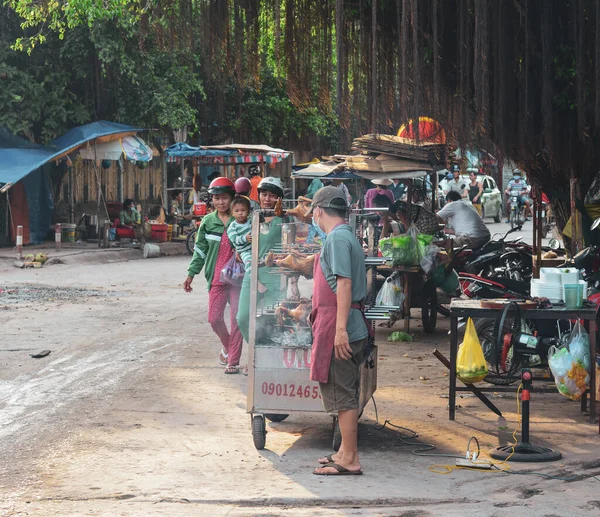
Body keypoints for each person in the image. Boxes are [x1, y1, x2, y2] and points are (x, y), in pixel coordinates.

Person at [309, 186, 369, 476]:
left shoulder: (336, 238)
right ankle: (344, 451)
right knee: (344, 387)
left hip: (342, 322)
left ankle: (350, 459)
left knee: (343, 392)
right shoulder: (346, 236)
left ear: (319, 211)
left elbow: (344, 284)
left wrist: (340, 330)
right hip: (347, 320)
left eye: (313, 213)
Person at [182, 177, 244, 374]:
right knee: (214, 318)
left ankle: (233, 361)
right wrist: (191, 274)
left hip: (238, 279)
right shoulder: (208, 222)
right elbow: (200, 250)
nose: (220, 202)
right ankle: (228, 346)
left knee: (237, 320)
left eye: (225, 197)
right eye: (216, 198)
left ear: (232, 198)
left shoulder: (241, 218)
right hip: (216, 277)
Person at [236, 177, 285, 344]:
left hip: (275, 277)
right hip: (253, 274)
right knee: (243, 317)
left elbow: (291, 248)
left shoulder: (284, 220)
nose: (267, 199)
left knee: (272, 320)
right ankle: (256, 352)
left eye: (272, 195)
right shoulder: (252, 217)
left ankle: (269, 356)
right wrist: (240, 249)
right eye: (264, 194)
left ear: (279, 199)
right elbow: (240, 240)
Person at [227, 196, 266, 293]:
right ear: (232, 212)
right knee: (250, 265)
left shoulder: (251, 221)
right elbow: (234, 239)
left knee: (263, 262)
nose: (240, 213)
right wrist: (244, 238)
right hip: (244, 251)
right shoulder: (233, 226)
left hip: (256, 247)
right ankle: (256, 283)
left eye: (243, 210)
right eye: (237, 211)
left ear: (248, 211)